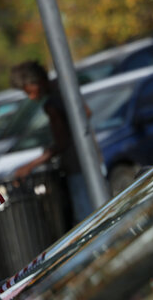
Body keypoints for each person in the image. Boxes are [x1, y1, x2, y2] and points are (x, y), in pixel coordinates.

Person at [10, 60, 93, 223]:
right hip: (92, 158)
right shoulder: (65, 89)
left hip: (77, 167)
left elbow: (61, 144)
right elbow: (88, 112)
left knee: (86, 220)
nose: (30, 97)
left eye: (28, 91)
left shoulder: (52, 104)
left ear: (36, 82)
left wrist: (29, 166)